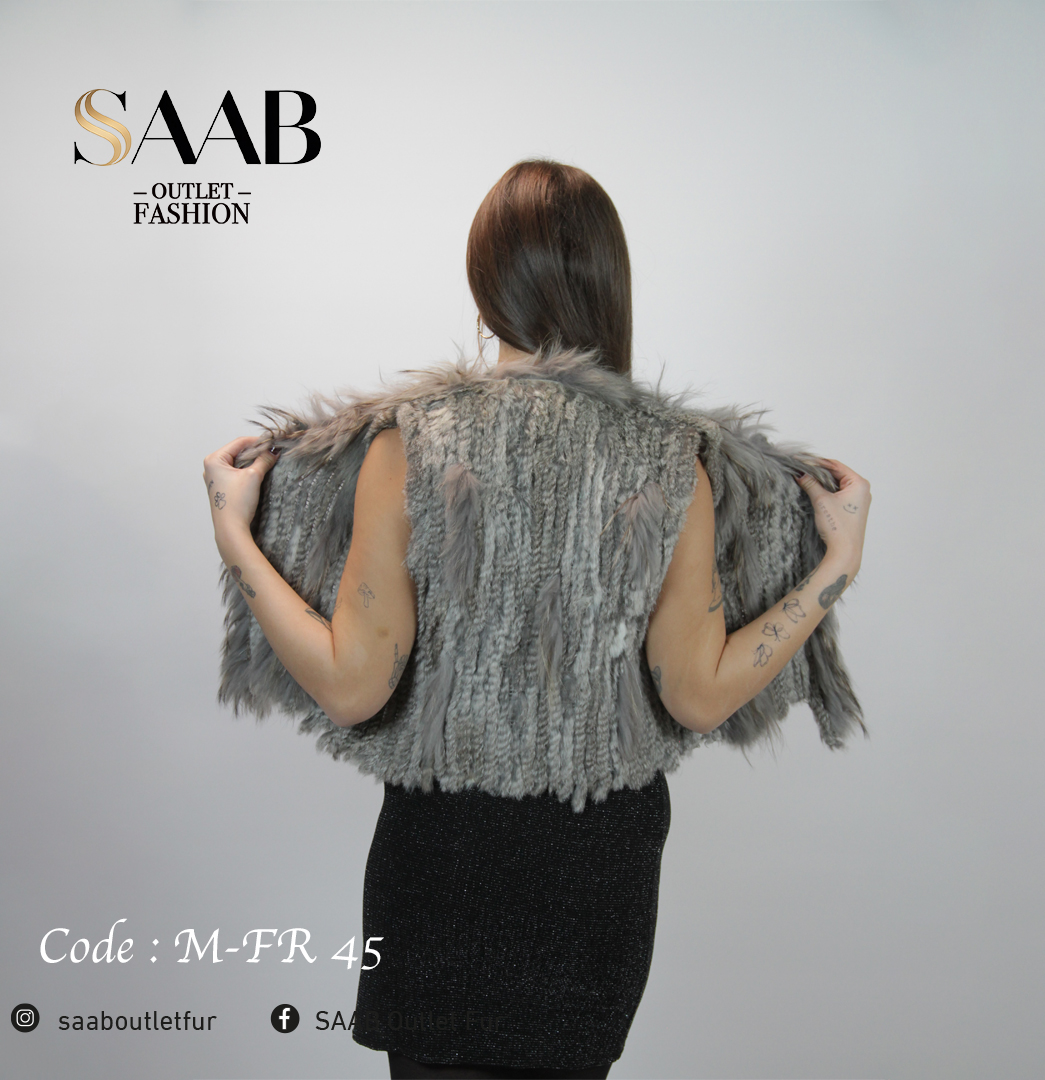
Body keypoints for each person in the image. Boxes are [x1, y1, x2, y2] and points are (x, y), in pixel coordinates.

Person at [203, 160, 870, 1079]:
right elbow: (698, 693)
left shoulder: (410, 444)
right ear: (607, 282)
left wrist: (236, 538)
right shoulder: (673, 458)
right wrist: (836, 567)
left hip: (441, 857)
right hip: (596, 871)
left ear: (485, 284)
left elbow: (353, 688)